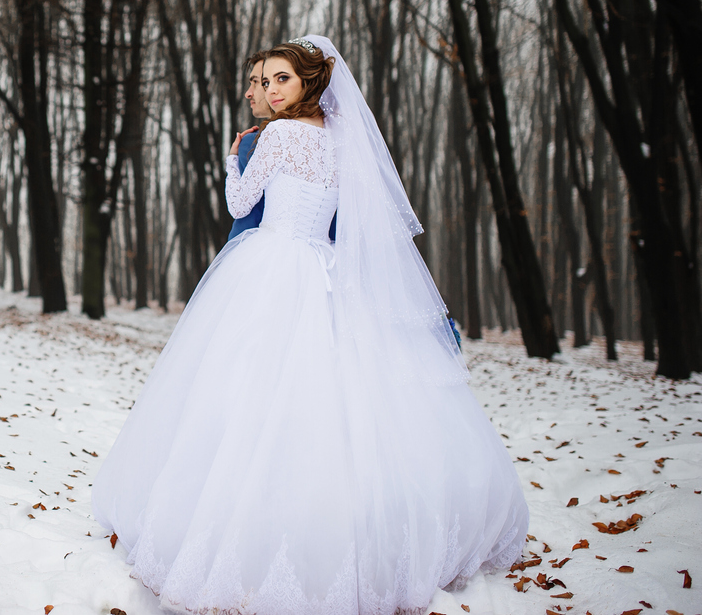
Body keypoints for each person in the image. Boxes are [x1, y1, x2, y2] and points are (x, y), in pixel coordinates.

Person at [92, 36, 528, 615]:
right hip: (326, 270)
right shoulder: (344, 142)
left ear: (309, 83)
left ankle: (239, 521)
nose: (269, 90)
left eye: (281, 79)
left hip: (272, 263)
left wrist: (231, 159)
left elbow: (242, 202)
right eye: (265, 80)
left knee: (247, 389)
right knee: (334, 398)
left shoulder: (278, 135)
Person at [228, 51, 273, 241]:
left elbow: (246, 218)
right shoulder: (331, 140)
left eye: (257, 82)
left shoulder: (254, 143)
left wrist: (233, 160)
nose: (248, 93)